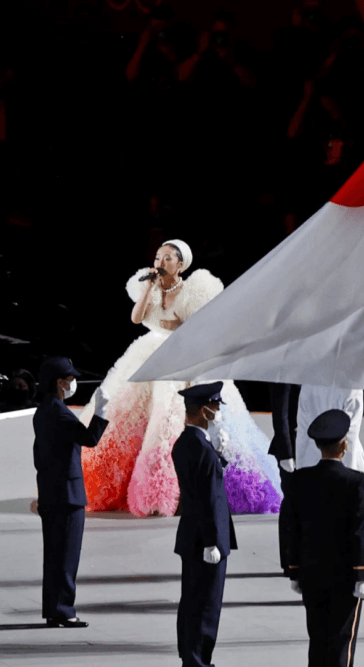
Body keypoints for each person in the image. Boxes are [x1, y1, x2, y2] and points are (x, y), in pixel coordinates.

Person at [79, 239, 281, 517]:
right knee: (126, 413)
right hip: (150, 352)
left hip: (184, 354)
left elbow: (211, 326)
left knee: (177, 414)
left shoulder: (194, 291)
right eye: (159, 257)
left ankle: (183, 488)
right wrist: (149, 286)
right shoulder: (147, 286)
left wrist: (182, 326)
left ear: (181, 264)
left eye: (168, 259)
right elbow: (137, 319)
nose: (161, 263)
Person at [286, 409, 364, 667]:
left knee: (318, 641)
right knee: (341, 644)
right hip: (344, 579)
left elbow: (292, 527)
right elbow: (359, 532)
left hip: (312, 576)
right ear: (344, 444)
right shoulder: (356, 482)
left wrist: (294, 571)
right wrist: (361, 577)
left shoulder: (300, 480)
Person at [33, 356, 109, 628]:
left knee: (54, 556)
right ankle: (64, 611)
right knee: (66, 557)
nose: (73, 383)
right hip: (68, 496)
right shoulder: (59, 412)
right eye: (70, 379)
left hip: (53, 494)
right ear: (59, 383)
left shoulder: (43, 411)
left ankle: (54, 609)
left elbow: (39, 456)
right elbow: (89, 439)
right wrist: (101, 412)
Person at [172, 382, 237, 667]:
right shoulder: (199, 446)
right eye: (215, 406)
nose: (218, 411)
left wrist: (218, 457)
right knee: (205, 605)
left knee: (191, 601)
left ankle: (190, 655)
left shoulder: (188, 442)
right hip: (205, 539)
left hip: (192, 536)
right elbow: (206, 498)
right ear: (203, 411)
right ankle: (198, 661)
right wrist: (212, 540)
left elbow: (200, 482)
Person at [268, 381, 301, 575]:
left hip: (304, 446)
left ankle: (296, 558)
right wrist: (287, 452)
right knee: (291, 504)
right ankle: (289, 560)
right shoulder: (284, 372)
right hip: (290, 448)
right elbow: (280, 414)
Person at [296, 385, 364, 474]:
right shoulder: (352, 386)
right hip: (342, 463)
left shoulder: (308, 385)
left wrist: (300, 462)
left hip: (310, 460)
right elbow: (350, 434)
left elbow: (303, 430)